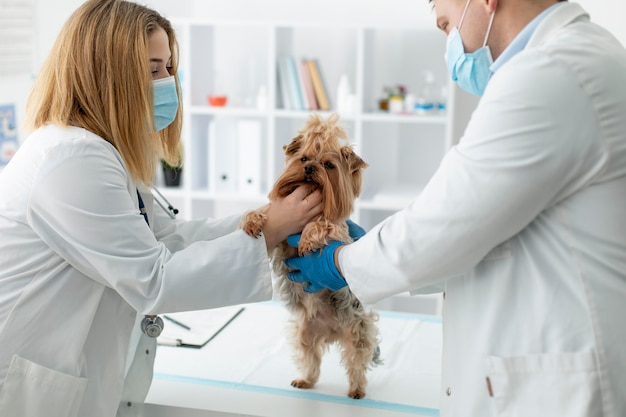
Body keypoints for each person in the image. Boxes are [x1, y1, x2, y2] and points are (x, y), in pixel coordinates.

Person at [285, 1, 626, 416]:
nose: (449, 42)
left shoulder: (550, 73)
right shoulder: (576, 58)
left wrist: (342, 261)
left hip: (559, 385)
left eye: (446, 24)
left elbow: (443, 229)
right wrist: (366, 248)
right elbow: (487, 235)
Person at [0, 1, 323, 416]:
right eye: (154, 69)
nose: (169, 81)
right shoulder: (72, 161)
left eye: (169, 67)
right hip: (22, 384)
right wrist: (273, 230)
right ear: (108, 76)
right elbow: (154, 279)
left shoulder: (102, 151)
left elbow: (167, 239)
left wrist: (267, 216)